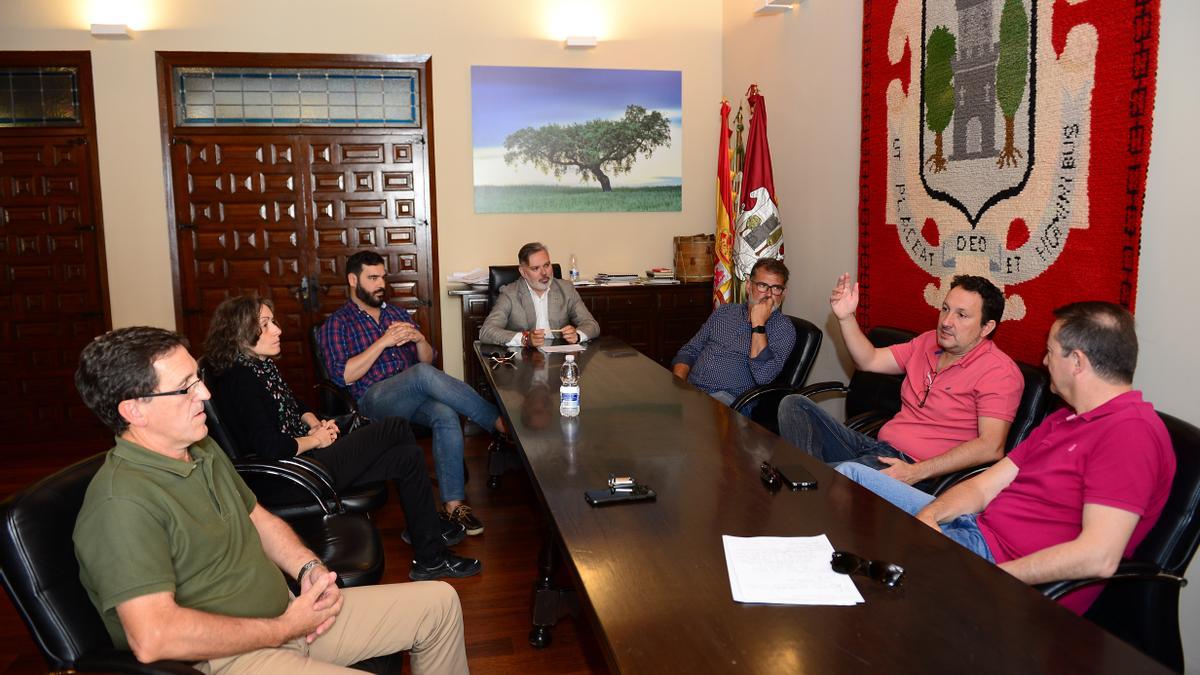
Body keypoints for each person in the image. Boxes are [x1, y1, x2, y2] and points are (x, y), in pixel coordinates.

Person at [72, 327, 469, 673]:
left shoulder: (201, 448)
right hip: (231, 658)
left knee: (440, 603)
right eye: (187, 386)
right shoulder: (120, 504)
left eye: (199, 379)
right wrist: (283, 629)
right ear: (134, 411)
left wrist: (308, 567)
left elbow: (257, 517)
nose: (205, 394)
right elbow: (153, 637)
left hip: (287, 616)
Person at [835, 302, 1175, 614]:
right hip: (975, 528)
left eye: (1051, 352)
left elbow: (1098, 555)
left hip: (999, 567)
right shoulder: (1063, 419)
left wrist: (994, 576)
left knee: (872, 558)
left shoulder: (1130, 433)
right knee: (853, 475)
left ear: (1078, 362)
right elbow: (985, 486)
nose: (1044, 361)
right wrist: (930, 516)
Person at [203, 295, 480, 580]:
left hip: (301, 459)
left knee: (407, 457)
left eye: (273, 321)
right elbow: (270, 446)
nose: (278, 329)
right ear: (239, 331)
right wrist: (317, 440)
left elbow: (292, 403)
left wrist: (312, 421)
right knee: (395, 427)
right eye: (265, 324)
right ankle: (426, 531)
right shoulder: (240, 379)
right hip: (290, 477)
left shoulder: (259, 366)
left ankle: (429, 554)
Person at [779, 273, 1023, 490]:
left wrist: (917, 471)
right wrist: (846, 318)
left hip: (917, 470)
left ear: (986, 327)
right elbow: (870, 360)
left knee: (823, 476)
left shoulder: (999, 372)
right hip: (877, 448)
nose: (947, 322)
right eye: (945, 309)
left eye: (962, 315)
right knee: (794, 405)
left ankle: (812, 483)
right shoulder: (928, 342)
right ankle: (812, 483)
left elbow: (991, 446)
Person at [320, 251, 504, 535]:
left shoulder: (396, 313)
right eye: (373, 278)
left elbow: (427, 360)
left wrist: (420, 340)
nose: (381, 283)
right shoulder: (337, 323)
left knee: (444, 413)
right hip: (372, 399)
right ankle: (497, 422)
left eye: (383, 277)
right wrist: (382, 342)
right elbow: (343, 376)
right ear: (353, 280)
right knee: (420, 375)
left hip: (411, 395)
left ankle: (454, 505)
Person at [671, 258, 797, 407]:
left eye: (776, 288)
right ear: (749, 286)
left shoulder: (783, 328)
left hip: (727, 403)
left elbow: (764, 376)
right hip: (691, 390)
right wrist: (678, 385)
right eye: (762, 285)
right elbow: (690, 350)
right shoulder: (725, 312)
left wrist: (758, 325)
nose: (769, 294)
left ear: (783, 294)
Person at [479, 242, 600, 347]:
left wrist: (577, 335)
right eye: (535, 268)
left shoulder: (566, 289)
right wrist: (524, 339)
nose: (544, 273)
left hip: (559, 359)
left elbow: (592, 325)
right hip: (525, 360)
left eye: (546, 265)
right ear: (523, 272)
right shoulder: (510, 294)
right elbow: (486, 332)